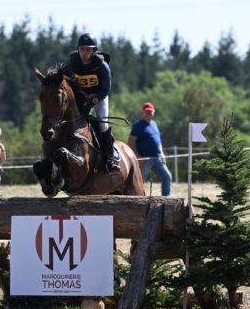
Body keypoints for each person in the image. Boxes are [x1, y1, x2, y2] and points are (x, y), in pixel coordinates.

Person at [63, 33, 119, 171]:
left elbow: (106, 89)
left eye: (88, 49)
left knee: (102, 123)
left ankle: (110, 158)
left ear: (94, 50)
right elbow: (62, 75)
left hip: (99, 96)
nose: (85, 52)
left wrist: (94, 99)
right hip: (81, 97)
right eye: (82, 49)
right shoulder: (72, 63)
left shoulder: (102, 66)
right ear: (78, 49)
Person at [128, 102, 172, 196]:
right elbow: (131, 142)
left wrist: (162, 153)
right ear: (143, 113)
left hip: (157, 158)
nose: (149, 114)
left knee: (167, 177)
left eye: (151, 112)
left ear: (153, 113)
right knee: (139, 182)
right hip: (144, 160)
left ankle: (166, 199)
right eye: (147, 112)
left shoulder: (154, 124)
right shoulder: (138, 125)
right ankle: (135, 200)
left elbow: (158, 141)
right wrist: (138, 158)